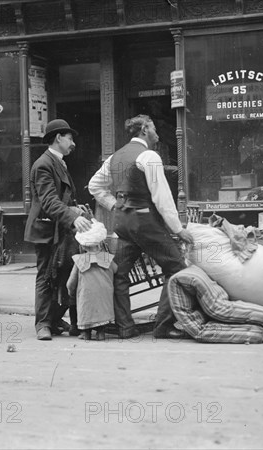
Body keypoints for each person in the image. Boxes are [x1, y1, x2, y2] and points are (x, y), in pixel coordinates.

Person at [88, 114, 194, 339]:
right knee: (176, 268)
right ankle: (163, 326)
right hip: (145, 222)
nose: (157, 132)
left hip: (123, 223)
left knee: (120, 274)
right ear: (144, 129)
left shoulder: (114, 158)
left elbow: (94, 185)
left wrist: (114, 205)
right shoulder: (149, 156)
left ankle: (126, 327)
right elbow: (162, 198)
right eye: (154, 127)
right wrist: (178, 229)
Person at [24, 119, 92, 341]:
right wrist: (73, 218)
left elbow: (61, 199)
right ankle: (43, 324)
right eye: (70, 138)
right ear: (58, 138)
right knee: (46, 276)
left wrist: (74, 208)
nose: (73, 143)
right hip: (45, 229)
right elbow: (49, 202)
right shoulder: (43, 164)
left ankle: (53, 319)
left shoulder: (58, 162)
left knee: (63, 274)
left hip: (58, 228)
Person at [67, 219, 116, 341]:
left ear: (82, 246)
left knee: (85, 309)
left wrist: (71, 291)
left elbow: (71, 283)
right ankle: (100, 333)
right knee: (102, 310)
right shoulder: (107, 258)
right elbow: (116, 269)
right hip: (104, 295)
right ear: (100, 244)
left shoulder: (79, 260)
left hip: (86, 296)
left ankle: (86, 333)